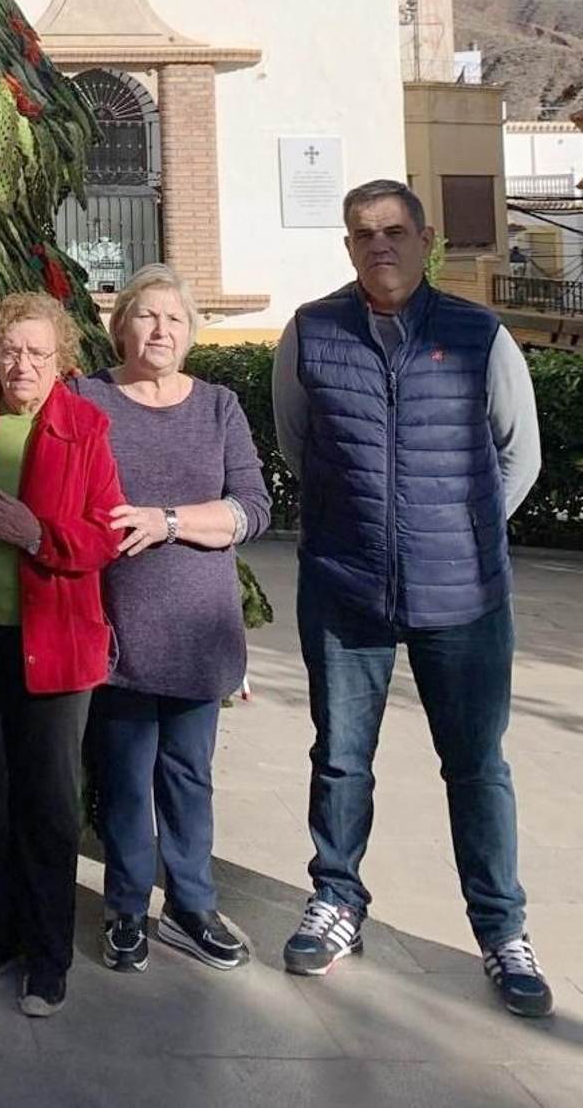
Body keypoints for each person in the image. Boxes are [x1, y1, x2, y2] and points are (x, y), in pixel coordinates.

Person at [272, 179, 550, 1017]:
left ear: (425, 240)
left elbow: (520, 457)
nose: (379, 245)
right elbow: (298, 444)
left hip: (462, 596)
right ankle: (338, 902)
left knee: (475, 767)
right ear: (348, 248)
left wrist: (463, 532)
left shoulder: (478, 334)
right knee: (341, 758)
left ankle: (502, 931)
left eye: (395, 230)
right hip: (346, 588)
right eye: (363, 234)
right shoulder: (311, 333)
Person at [72, 265, 271, 975]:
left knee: (188, 775)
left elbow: (252, 507)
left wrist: (169, 521)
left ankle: (190, 904)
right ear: (120, 324)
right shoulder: (87, 398)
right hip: (114, 624)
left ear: (191, 333)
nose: (161, 330)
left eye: (175, 320)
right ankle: (127, 908)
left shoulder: (218, 406)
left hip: (199, 630)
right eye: (146, 316)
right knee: (123, 778)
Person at [0, 291, 124, 1016]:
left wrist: (37, 531)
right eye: (11, 350)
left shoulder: (85, 424)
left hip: (54, 644)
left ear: (63, 361)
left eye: (38, 354)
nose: (22, 365)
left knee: (47, 804)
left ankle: (49, 957)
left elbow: (105, 534)